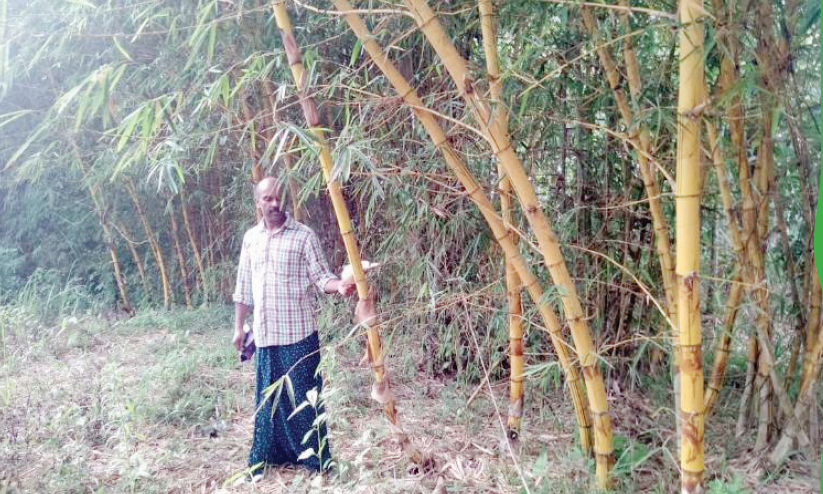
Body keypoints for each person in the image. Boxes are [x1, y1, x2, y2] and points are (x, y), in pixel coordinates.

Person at [232, 177, 357, 477]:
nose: (274, 204)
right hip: (264, 336)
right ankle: (265, 459)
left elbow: (321, 276)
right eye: (267, 199)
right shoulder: (251, 238)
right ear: (258, 203)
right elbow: (243, 287)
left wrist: (339, 286)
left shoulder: (303, 236)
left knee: (306, 398)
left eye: (278, 198)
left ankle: (316, 463)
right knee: (267, 403)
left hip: (299, 335)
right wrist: (238, 328)